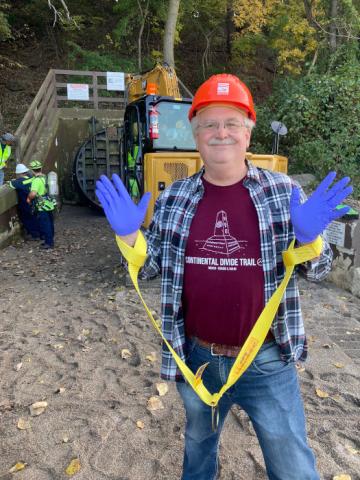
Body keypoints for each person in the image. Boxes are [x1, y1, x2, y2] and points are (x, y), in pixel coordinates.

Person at [96, 74, 353, 480]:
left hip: (266, 360)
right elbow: (150, 266)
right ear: (196, 135)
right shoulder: (175, 197)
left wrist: (309, 238)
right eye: (209, 125)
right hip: (196, 358)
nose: (221, 133)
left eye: (232, 123)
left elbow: (318, 271)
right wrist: (129, 235)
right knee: (198, 451)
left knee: (292, 466)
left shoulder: (281, 191)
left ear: (248, 134)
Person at [26, 160, 55, 250]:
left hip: (42, 205)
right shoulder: (45, 177)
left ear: (32, 170)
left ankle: (49, 244)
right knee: (50, 223)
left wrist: (29, 198)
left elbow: (33, 193)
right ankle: (50, 240)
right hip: (49, 203)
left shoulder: (36, 181)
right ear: (41, 168)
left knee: (45, 224)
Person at [9, 163, 40, 240]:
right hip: (34, 201)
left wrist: (13, 181)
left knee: (27, 219)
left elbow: (10, 184)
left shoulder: (19, 182)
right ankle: (39, 233)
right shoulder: (31, 177)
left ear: (19, 173)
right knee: (34, 218)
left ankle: (34, 235)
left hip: (25, 203)